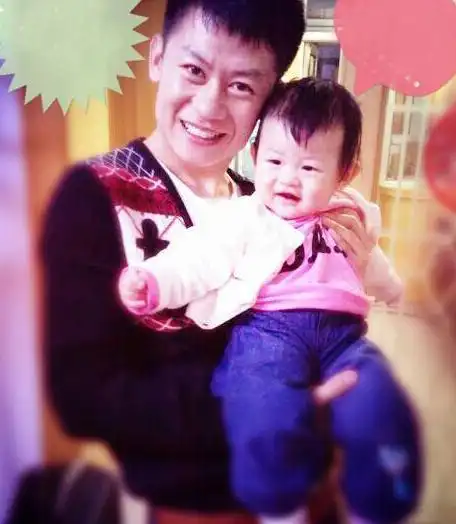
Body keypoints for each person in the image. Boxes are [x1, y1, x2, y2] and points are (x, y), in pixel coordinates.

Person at [41, 1, 375, 522]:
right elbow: (82, 397)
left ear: (268, 99)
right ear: (157, 58)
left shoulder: (266, 206)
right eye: (194, 70)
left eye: (242, 86)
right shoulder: (95, 195)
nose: (209, 106)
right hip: (192, 507)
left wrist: (349, 277)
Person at [118, 79, 422, 524]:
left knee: (381, 405)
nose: (287, 178)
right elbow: (198, 257)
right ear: (256, 154)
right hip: (268, 333)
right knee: (262, 410)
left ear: (344, 173)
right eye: (275, 160)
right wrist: (155, 281)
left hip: (345, 339)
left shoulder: (348, 217)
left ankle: (374, 509)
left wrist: (397, 291)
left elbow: (374, 266)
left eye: (310, 167)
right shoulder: (246, 217)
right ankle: (279, 510)